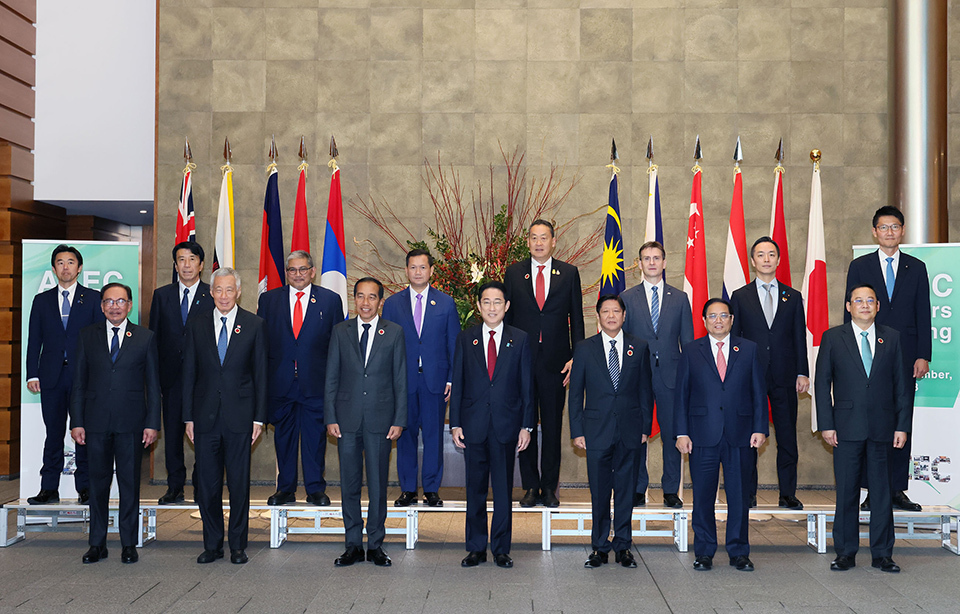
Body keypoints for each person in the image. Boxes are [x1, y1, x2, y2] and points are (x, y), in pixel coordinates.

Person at [816, 284, 910, 573]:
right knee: (846, 492)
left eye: (871, 300)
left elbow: (902, 386)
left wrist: (902, 426)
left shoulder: (892, 338)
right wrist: (826, 425)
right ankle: (845, 552)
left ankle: (883, 554)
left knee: (882, 493)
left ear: (878, 306)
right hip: (845, 428)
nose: (865, 305)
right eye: (859, 300)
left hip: (883, 427)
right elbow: (822, 384)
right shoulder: (833, 337)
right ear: (849, 306)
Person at [844, 205, 930, 513]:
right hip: (869, 355)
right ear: (874, 232)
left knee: (900, 420)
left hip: (906, 356)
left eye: (895, 227)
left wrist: (923, 355)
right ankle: (871, 490)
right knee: (871, 422)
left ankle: (896, 489)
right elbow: (850, 312)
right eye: (883, 227)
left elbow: (924, 313)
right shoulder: (860, 265)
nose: (889, 232)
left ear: (902, 231)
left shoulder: (916, 267)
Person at [69, 283, 160, 564]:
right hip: (95, 423)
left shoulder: (145, 337)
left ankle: (128, 544)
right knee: (97, 485)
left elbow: (153, 385)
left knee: (130, 484)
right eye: (109, 301)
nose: (114, 306)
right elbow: (79, 384)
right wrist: (77, 421)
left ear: (130, 305)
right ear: (101, 306)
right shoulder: (87, 336)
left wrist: (152, 423)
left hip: (131, 423)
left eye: (120, 301)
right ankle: (97, 544)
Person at [182, 267, 267, 565]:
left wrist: (259, 418)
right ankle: (212, 544)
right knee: (207, 485)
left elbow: (260, 375)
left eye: (229, 290)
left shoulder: (254, 324)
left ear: (238, 292)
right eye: (218, 290)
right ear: (211, 292)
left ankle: (238, 545)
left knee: (239, 484)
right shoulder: (197, 324)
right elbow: (189, 373)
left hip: (241, 418)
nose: (223, 296)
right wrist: (188, 418)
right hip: (204, 419)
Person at [675, 298, 767, 572]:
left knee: (739, 496)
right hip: (702, 434)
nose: (718, 320)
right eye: (712, 316)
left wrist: (760, 427)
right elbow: (681, 395)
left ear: (731, 319)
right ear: (704, 321)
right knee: (702, 496)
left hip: (740, 434)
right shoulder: (691, 351)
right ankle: (704, 552)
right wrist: (681, 432)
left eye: (723, 316)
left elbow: (758, 393)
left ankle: (739, 551)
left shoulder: (748, 349)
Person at [450, 281, 534, 569]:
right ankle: (475, 547)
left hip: (506, 426)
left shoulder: (520, 339)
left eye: (497, 302)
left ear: (506, 306)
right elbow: (458, 383)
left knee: (502, 491)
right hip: (473, 425)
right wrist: (455, 423)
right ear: (478, 306)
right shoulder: (466, 338)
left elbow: (527, 386)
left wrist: (527, 425)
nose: (492, 307)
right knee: (474, 489)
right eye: (486, 302)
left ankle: (500, 548)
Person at [325, 277, 407, 567]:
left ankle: (375, 545)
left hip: (381, 420)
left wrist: (399, 419)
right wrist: (330, 416)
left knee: (376, 485)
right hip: (345, 420)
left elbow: (400, 378)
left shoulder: (394, 332)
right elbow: (331, 377)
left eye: (372, 297)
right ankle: (352, 545)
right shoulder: (340, 331)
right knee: (348, 484)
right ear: (354, 299)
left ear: (380, 302)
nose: (365, 302)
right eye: (360, 296)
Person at [504, 219, 584, 507]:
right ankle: (529, 486)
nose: (539, 243)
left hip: (556, 363)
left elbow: (576, 317)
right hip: (521, 362)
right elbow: (506, 319)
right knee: (525, 423)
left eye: (544, 238)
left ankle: (549, 487)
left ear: (553, 241)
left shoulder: (569, 273)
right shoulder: (513, 273)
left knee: (551, 426)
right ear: (527, 242)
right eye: (533, 238)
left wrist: (577, 357)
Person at [569, 295, 653, 569]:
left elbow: (645, 392)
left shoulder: (639, 347)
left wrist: (644, 428)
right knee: (600, 492)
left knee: (626, 492)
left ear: (624, 315)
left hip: (630, 431)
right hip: (596, 431)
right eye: (605, 311)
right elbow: (576, 394)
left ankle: (624, 546)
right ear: (598, 317)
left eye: (616, 311)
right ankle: (600, 547)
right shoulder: (584, 349)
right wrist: (577, 430)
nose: (611, 315)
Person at [257, 250, 343, 507]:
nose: (297, 274)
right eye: (292, 270)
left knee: (315, 440)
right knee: (284, 439)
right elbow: (262, 344)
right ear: (286, 273)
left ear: (313, 271)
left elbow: (337, 345)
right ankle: (285, 489)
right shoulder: (269, 300)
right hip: (281, 384)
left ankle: (316, 489)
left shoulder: (330, 300)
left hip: (315, 384)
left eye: (303, 269)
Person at [730, 237, 809, 510]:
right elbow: (735, 339)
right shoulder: (740, 296)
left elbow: (799, 337)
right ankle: (748, 492)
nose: (766, 259)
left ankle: (787, 493)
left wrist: (802, 372)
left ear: (778, 260)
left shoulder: (793, 296)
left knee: (787, 436)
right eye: (760, 255)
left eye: (771, 254)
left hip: (785, 375)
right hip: (750, 377)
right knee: (749, 435)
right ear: (753, 261)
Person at [25, 244, 104, 505]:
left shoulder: (93, 299)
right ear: (54, 268)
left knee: (83, 433)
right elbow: (34, 340)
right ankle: (49, 487)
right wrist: (31, 373)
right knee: (54, 433)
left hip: (84, 378)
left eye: (71, 262)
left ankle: (86, 487)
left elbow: (98, 341)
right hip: (51, 378)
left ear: (79, 268)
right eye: (60, 262)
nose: (65, 267)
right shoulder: (42, 300)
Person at [382, 248, 460, 507]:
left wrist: (451, 379)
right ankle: (407, 489)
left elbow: (453, 346)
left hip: (435, 382)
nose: (418, 272)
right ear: (406, 270)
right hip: (403, 382)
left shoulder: (446, 303)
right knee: (404, 434)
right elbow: (388, 347)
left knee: (434, 435)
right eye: (413, 267)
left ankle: (431, 489)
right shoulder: (393, 304)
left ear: (431, 271)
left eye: (423, 267)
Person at [620, 241, 693, 508]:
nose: (651, 263)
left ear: (664, 263)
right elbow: (624, 339)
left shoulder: (680, 298)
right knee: (637, 433)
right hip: (637, 376)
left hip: (672, 377)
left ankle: (671, 489)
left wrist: (688, 379)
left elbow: (688, 342)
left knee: (673, 433)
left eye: (656, 258)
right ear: (638, 264)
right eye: (646, 258)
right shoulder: (627, 298)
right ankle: (638, 487)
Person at [148, 241, 213, 505]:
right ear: (175, 265)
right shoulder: (162, 295)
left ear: (201, 264)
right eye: (181, 260)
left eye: (191, 259)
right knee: (173, 434)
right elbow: (154, 339)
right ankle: (175, 486)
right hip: (172, 378)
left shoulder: (213, 294)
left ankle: (201, 485)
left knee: (204, 435)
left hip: (204, 379)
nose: (186, 265)